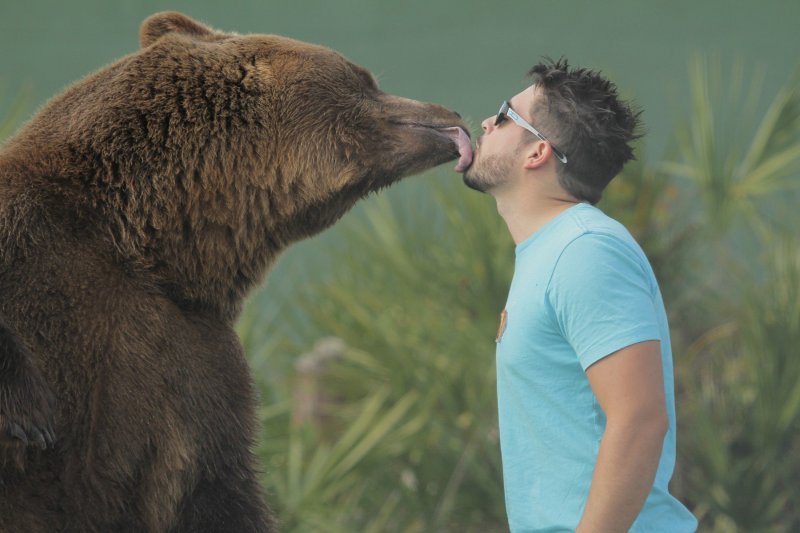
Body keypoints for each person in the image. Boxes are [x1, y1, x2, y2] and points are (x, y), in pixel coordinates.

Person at [462, 58, 697, 532]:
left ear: (537, 153)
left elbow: (640, 419)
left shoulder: (585, 251)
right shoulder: (552, 250)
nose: (486, 122)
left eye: (505, 115)